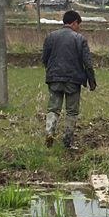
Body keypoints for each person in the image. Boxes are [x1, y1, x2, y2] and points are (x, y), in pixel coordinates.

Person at [42, 10, 96, 149]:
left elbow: (45, 59)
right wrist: (91, 81)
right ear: (74, 23)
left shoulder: (50, 37)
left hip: (54, 78)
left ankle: (49, 132)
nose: (79, 28)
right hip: (73, 80)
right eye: (78, 24)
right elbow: (87, 63)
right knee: (71, 111)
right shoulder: (80, 39)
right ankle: (67, 142)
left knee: (53, 108)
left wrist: (51, 71)